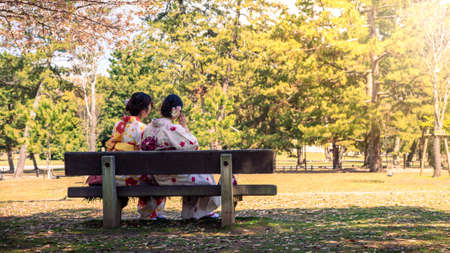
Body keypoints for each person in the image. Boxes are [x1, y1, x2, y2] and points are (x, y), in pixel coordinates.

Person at [87, 92, 166, 219]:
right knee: (156, 177)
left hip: (113, 177)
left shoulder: (118, 125)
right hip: (133, 177)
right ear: (145, 110)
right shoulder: (144, 128)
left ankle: (147, 213)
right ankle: (149, 213)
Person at [140, 94, 221, 219]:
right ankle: (198, 212)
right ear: (176, 110)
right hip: (172, 176)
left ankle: (191, 213)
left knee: (197, 175)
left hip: (154, 177)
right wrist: (184, 127)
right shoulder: (173, 128)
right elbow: (194, 145)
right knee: (205, 176)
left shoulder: (148, 129)